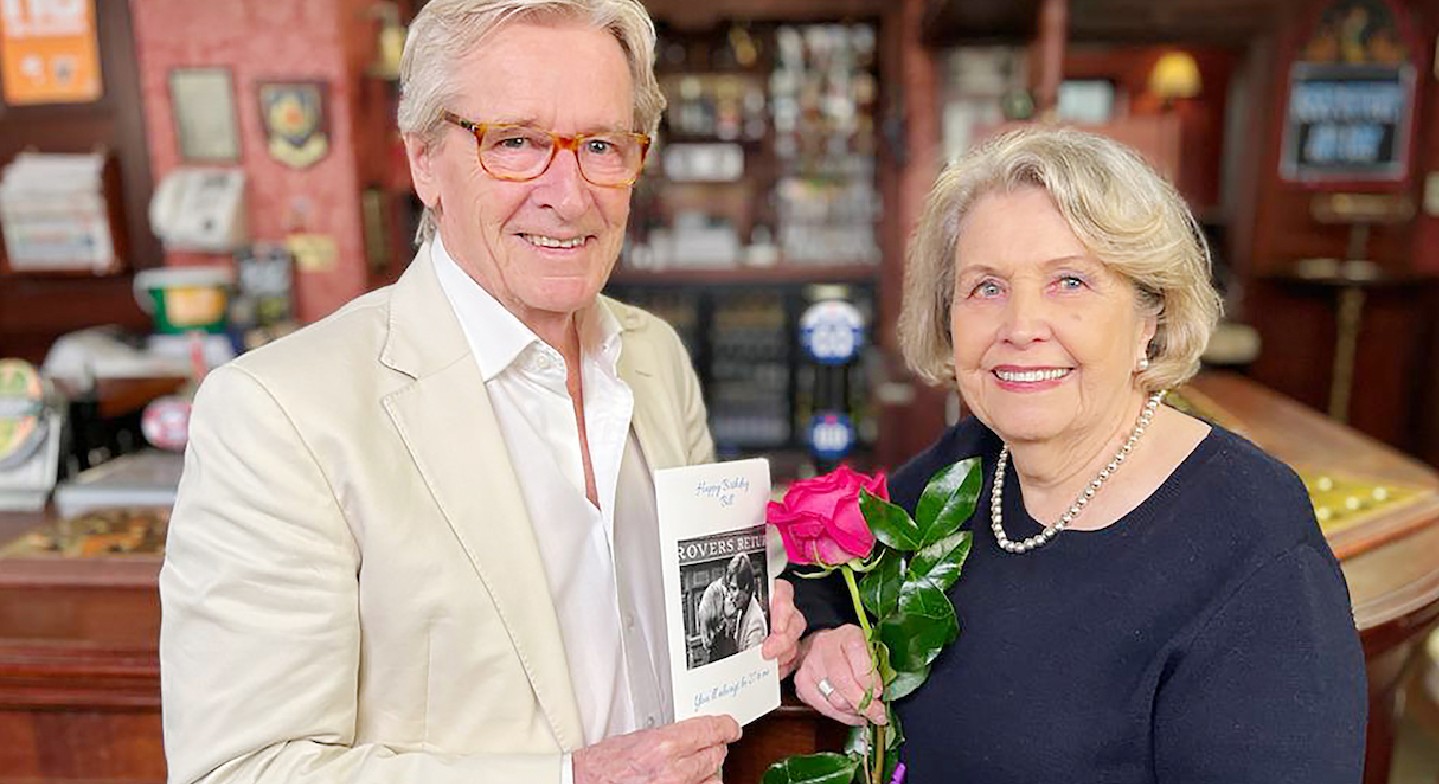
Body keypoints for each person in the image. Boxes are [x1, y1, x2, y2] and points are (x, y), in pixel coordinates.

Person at [157, 2, 806, 783]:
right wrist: (575, 779)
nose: (569, 195)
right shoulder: (277, 413)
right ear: (424, 160)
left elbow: (708, 620)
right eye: (518, 143)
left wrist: (768, 630)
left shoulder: (654, 356)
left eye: (601, 145)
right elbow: (239, 771)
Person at [789, 127, 1367, 783]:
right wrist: (821, 638)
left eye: (1069, 281)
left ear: (1151, 314)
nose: (1020, 326)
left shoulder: (1253, 537)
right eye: (986, 287)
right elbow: (817, 578)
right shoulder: (972, 463)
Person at [724, 553, 767, 651]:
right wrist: (729, 620)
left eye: (734, 589)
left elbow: (749, 663)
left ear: (746, 587)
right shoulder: (742, 609)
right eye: (730, 589)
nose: (731, 595)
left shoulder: (755, 624)